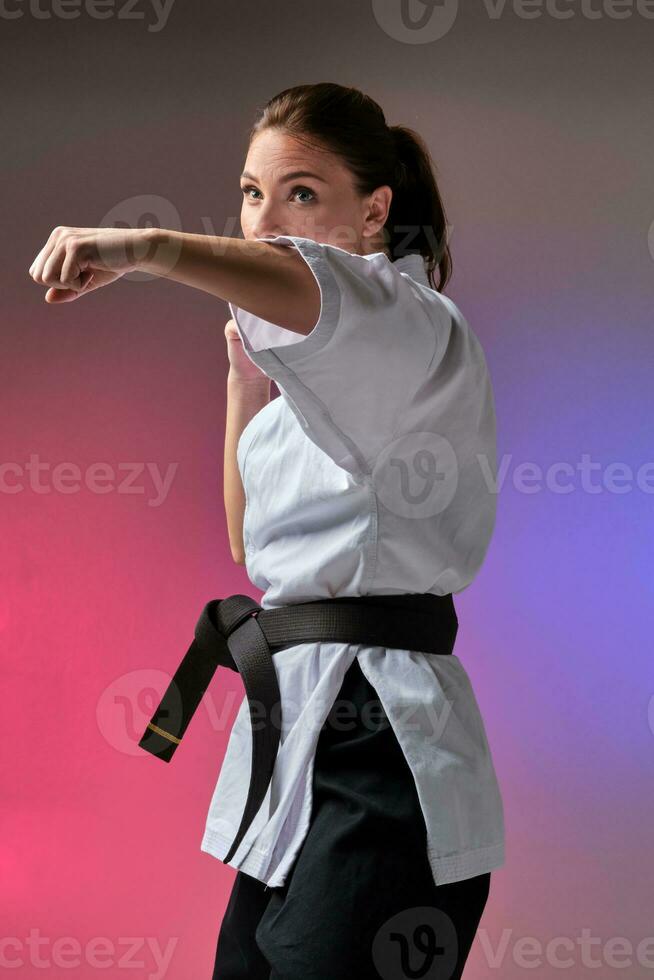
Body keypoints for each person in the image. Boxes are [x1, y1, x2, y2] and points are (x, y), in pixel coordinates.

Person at [28, 81, 505, 980]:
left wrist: (145, 246)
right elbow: (255, 553)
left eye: (301, 193)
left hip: (385, 752)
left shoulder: (411, 326)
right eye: (252, 193)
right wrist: (244, 385)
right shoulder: (315, 386)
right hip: (299, 742)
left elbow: (311, 286)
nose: (264, 218)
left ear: (374, 212)